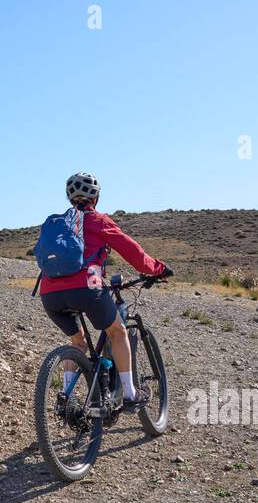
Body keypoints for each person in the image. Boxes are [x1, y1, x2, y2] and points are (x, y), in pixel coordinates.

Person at [39, 171, 171, 409]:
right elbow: (133, 252)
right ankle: (130, 394)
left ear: (70, 199)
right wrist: (157, 269)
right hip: (87, 290)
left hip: (50, 295)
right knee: (118, 332)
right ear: (96, 197)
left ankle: (66, 399)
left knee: (77, 344)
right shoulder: (98, 221)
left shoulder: (56, 224)